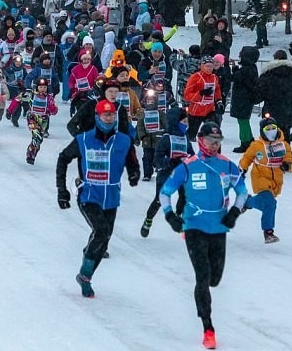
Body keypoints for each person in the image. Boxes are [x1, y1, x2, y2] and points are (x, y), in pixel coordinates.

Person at [158, 122, 249, 349]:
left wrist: (235, 212)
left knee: (215, 279)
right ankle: (208, 327)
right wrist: (171, 216)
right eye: (210, 141)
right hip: (194, 227)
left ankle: (207, 310)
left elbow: (243, 192)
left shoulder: (227, 166)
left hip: (218, 228)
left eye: (218, 141)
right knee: (203, 276)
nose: (214, 145)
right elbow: (165, 193)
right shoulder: (187, 166)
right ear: (200, 141)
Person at [55, 100, 140, 298]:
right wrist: (62, 190)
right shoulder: (83, 140)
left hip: (111, 196)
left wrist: (134, 174)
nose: (109, 118)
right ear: (97, 117)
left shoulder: (124, 141)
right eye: (105, 115)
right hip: (89, 194)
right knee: (101, 232)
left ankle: (86, 274)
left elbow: (132, 162)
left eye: (112, 115)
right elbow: (63, 158)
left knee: (104, 240)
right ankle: (85, 274)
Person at [238, 116, 292, 243]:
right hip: (260, 177)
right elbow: (247, 157)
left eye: (273, 128)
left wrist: (288, 166)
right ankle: (268, 232)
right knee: (270, 203)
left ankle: (247, 202)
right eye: (267, 129)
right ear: (262, 131)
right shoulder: (257, 145)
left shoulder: (284, 145)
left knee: (266, 204)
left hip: (276, 181)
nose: (271, 131)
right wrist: (242, 169)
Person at [140, 106, 194, 237]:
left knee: (185, 195)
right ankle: (148, 219)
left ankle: (179, 217)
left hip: (181, 173)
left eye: (187, 122)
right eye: (184, 122)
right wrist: (169, 161)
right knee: (159, 199)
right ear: (175, 122)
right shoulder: (166, 138)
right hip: (166, 174)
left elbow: (191, 154)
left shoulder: (185, 138)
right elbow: (156, 158)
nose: (186, 125)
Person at [257, 49, 292, 142]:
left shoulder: (267, 74)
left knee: (269, 134)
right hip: (288, 110)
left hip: (271, 108)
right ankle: (286, 153)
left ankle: (271, 154)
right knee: (285, 134)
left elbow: (260, 92)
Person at [183, 56, 223, 142]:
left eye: (211, 66)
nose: (209, 69)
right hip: (195, 111)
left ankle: (211, 149)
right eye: (207, 66)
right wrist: (200, 94)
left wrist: (219, 101)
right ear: (202, 66)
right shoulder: (195, 77)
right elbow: (186, 95)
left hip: (209, 110)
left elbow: (217, 89)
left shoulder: (214, 77)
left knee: (213, 132)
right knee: (191, 137)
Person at [229, 46, 261, 152]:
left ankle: (245, 142)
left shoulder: (246, 70)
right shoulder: (251, 68)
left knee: (243, 121)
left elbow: (235, 77)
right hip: (246, 99)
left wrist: (230, 69)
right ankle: (249, 139)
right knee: (244, 120)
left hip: (243, 99)